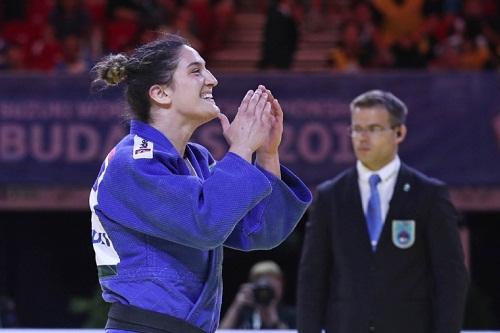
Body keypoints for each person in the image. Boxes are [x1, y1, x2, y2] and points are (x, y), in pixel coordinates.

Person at [89, 33, 312, 333]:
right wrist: (241, 149)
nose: (212, 79)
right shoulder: (131, 164)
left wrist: (266, 154)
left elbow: (259, 233)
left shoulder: (196, 159)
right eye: (196, 71)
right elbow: (204, 223)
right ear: (161, 93)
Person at [297, 90, 468, 333]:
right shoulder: (330, 196)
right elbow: (312, 278)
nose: (362, 138)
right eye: (357, 129)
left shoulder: (429, 195)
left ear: (399, 133)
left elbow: (451, 277)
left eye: (374, 128)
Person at [219, 260, 295, 329]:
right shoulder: (244, 314)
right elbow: (222, 331)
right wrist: (236, 306)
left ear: (281, 285)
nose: (264, 292)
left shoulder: (292, 315)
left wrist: (274, 322)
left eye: (269, 286)